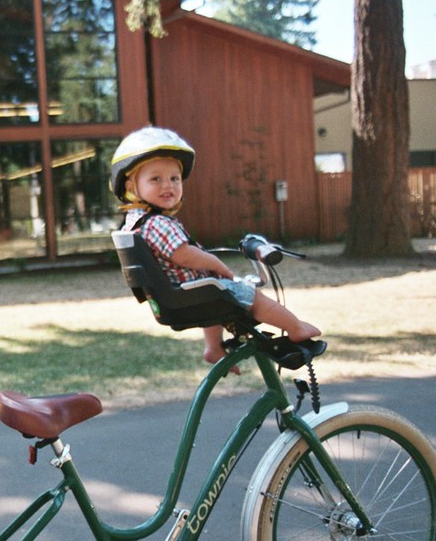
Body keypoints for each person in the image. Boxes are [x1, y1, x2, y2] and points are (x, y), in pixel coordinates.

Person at [110, 126, 321, 367]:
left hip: (179, 296)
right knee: (249, 295)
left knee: (216, 293)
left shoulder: (136, 222)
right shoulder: (156, 222)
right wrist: (218, 265)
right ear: (130, 186)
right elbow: (184, 255)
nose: (167, 185)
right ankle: (296, 328)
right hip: (185, 294)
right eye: (155, 179)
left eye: (174, 178)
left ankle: (213, 347)